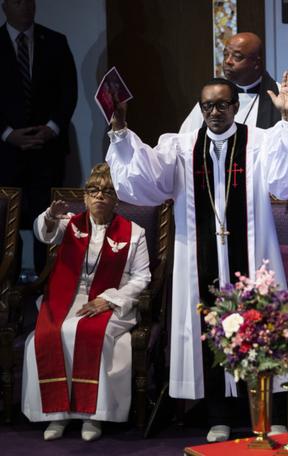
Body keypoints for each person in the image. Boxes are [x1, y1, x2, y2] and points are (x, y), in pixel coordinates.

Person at [106, 75, 288, 442]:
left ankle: (272, 412)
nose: (215, 112)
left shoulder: (259, 142)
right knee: (209, 331)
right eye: (208, 105)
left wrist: (287, 121)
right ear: (200, 109)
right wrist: (122, 130)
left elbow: (287, 179)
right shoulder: (182, 147)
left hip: (253, 257)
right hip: (200, 256)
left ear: (236, 107)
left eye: (222, 104)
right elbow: (146, 182)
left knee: (261, 324)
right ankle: (218, 415)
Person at [21, 163, 151, 441]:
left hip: (111, 301)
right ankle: (57, 415)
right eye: (93, 190)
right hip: (66, 297)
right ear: (85, 196)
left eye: (107, 191)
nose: (99, 196)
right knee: (43, 336)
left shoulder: (134, 232)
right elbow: (44, 233)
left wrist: (108, 300)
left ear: (116, 199)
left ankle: (91, 416)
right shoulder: (69, 223)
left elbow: (142, 278)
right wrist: (49, 217)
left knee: (87, 333)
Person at [180, 32, 288, 201]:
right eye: (226, 54)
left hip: (265, 198)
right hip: (216, 193)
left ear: (256, 63)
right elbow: (185, 143)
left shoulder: (286, 101)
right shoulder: (211, 101)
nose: (227, 61)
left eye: (237, 57)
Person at [0, 0, 78, 273]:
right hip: (6, 154)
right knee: (5, 225)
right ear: (4, 7)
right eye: (18, 2)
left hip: (47, 152)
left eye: (30, 1)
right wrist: (8, 134)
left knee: (46, 222)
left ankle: (46, 289)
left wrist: (52, 127)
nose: (26, 7)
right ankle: (7, 294)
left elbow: (69, 92)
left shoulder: (55, 41)